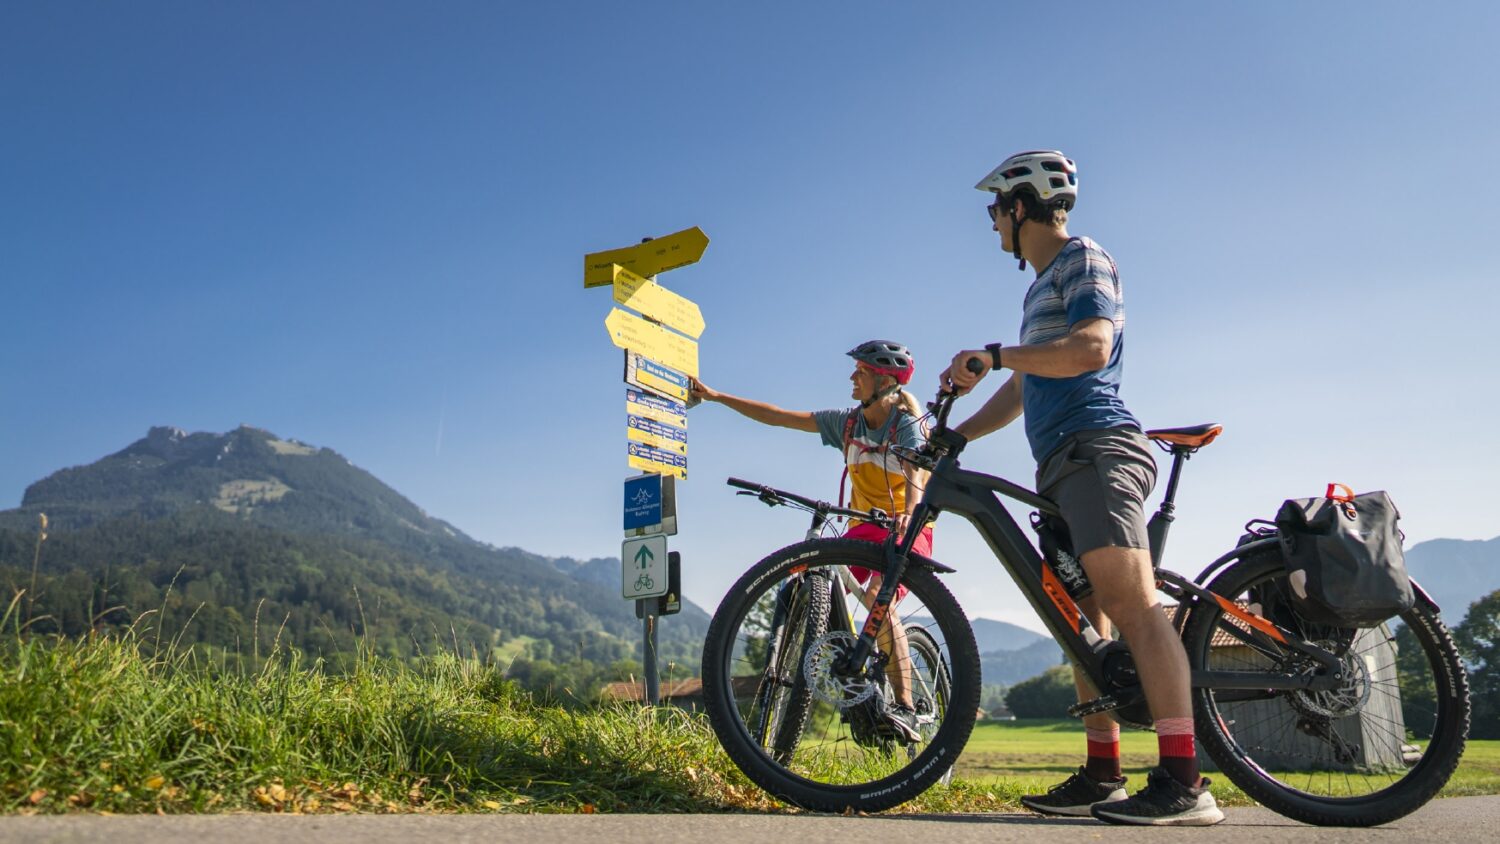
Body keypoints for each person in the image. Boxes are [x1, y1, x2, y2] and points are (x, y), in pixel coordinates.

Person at [939, 150, 1223, 826]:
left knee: (1132, 605)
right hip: (1061, 460)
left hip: (1097, 448)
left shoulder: (1083, 259)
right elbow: (1022, 385)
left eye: (993, 211)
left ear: (1019, 206)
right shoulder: (1038, 288)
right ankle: (1104, 773)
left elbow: (1092, 347)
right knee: (1082, 624)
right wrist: (961, 436)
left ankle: (1184, 781)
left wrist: (996, 352)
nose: (989, 226)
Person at [690, 341, 931, 742]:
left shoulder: (904, 422)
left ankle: (905, 705)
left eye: (861, 372)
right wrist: (716, 396)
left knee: (877, 598)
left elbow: (916, 473)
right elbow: (782, 417)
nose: (852, 378)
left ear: (885, 381)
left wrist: (910, 511)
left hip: (905, 526)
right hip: (861, 529)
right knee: (863, 600)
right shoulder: (848, 424)